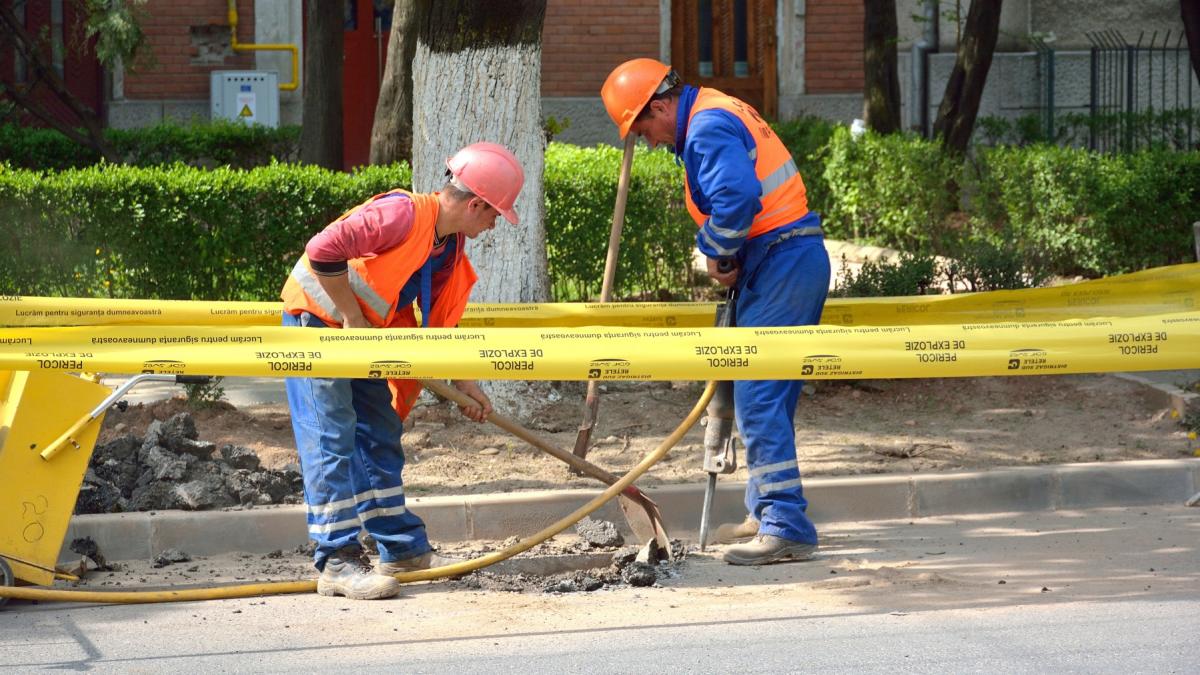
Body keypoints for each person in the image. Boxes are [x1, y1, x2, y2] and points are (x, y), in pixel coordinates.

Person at [601, 59, 830, 566]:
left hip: (782, 261)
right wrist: (733, 251)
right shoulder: (713, 111)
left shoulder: (705, 125)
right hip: (781, 258)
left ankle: (786, 525)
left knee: (759, 392)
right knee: (764, 395)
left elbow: (738, 196)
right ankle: (767, 512)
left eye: (643, 130)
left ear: (660, 107)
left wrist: (715, 250)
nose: (650, 142)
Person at [280, 142, 525, 599]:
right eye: (495, 214)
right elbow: (321, 250)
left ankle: (400, 548)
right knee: (332, 434)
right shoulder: (401, 215)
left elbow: (442, 324)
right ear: (475, 204)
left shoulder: (447, 248)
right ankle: (336, 560)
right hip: (316, 322)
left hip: (362, 334)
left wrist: (466, 384)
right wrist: (352, 316)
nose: (495, 225)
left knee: (378, 431)